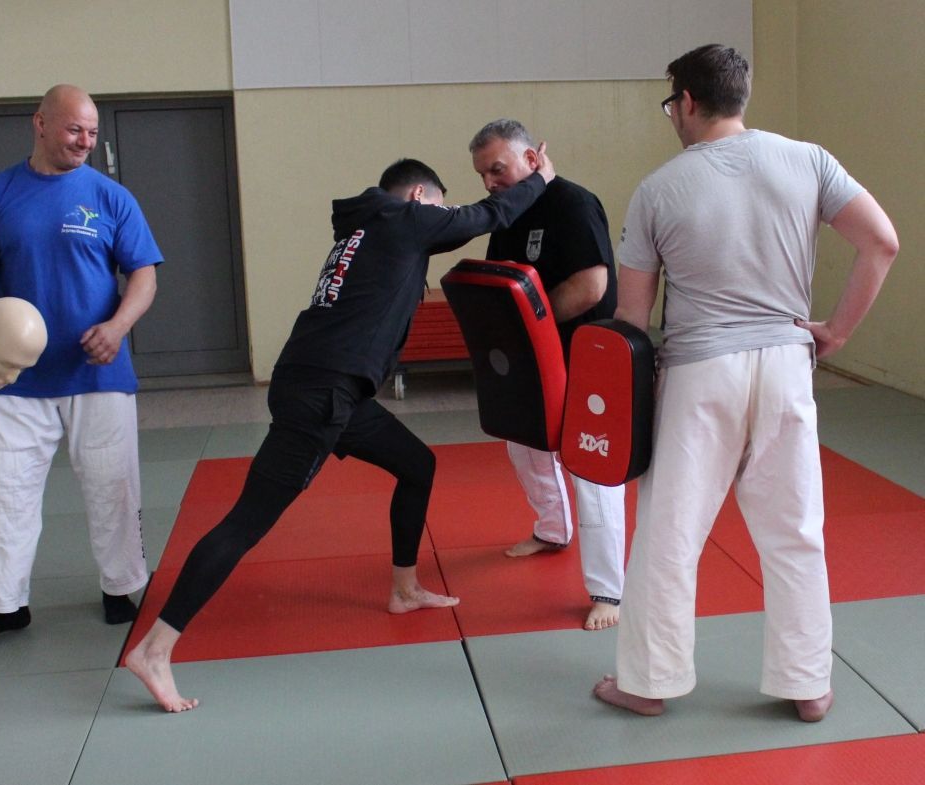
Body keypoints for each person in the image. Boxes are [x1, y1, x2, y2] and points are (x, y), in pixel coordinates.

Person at [127, 150, 557, 712]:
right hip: (322, 395)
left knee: (417, 465)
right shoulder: (404, 218)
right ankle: (155, 648)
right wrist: (540, 179)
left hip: (330, 388)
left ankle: (405, 588)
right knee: (246, 521)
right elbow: (485, 216)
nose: (440, 216)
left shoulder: (370, 226)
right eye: (439, 205)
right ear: (420, 198)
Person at [593, 44, 898, 722]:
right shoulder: (809, 160)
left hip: (700, 372)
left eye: (671, 105)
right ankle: (808, 683)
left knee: (671, 535)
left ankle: (648, 681)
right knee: (796, 532)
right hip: (787, 363)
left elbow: (631, 321)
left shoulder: (658, 188)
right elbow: (882, 242)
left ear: (687, 102)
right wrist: (837, 331)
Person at [0, 84, 162, 641]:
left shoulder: (111, 197)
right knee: (5, 492)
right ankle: (8, 605)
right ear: (40, 123)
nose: (85, 141)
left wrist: (118, 327)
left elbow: (144, 274)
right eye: (74, 130)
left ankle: (119, 588)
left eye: (92, 132)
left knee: (113, 485)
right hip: (17, 378)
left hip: (99, 372)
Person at [469, 119, 626, 631]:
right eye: (483, 175)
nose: (490, 182)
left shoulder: (572, 204)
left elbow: (591, 285)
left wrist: (528, 327)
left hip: (587, 353)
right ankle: (553, 530)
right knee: (526, 445)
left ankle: (608, 591)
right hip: (533, 355)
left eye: (497, 169)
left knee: (591, 467)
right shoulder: (507, 214)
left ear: (532, 160)